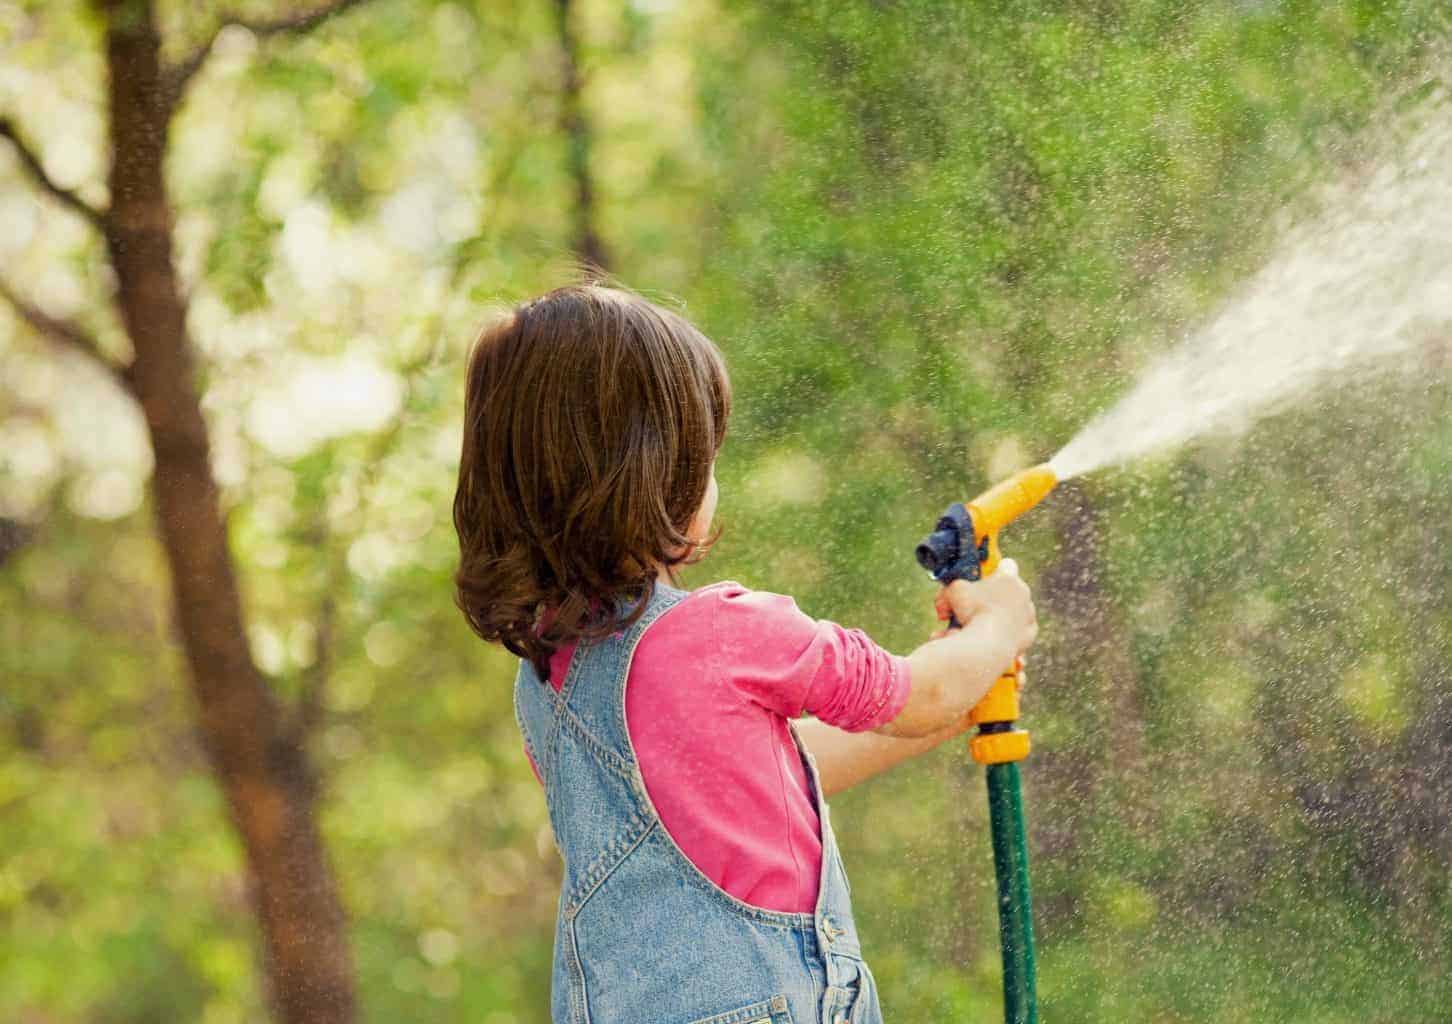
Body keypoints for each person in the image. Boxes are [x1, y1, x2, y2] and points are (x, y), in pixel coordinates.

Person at [452, 283, 1038, 1024]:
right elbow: (916, 693)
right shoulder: (726, 634)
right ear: (657, 471)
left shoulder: (547, 679)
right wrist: (996, 629)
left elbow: (762, 781)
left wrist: (953, 698)